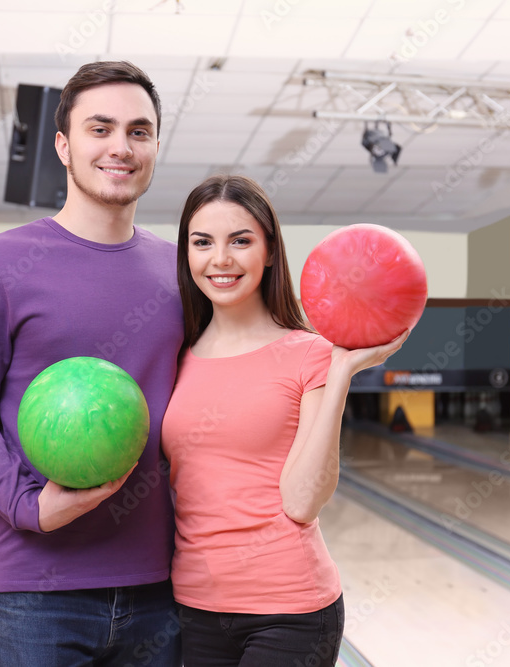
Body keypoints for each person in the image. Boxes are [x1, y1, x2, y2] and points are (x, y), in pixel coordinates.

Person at [0, 61, 184, 667]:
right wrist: (27, 505)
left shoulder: (183, 273)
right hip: (34, 596)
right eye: (100, 128)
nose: (121, 146)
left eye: (139, 131)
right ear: (64, 146)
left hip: (164, 588)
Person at [162, 175, 409, 667]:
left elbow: (302, 501)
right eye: (202, 242)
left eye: (241, 241)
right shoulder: (174, 354)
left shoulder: (309, 354)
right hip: (192, 606)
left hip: (289, 611)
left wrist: (340, 375)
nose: (221, 260)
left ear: (271, 251)